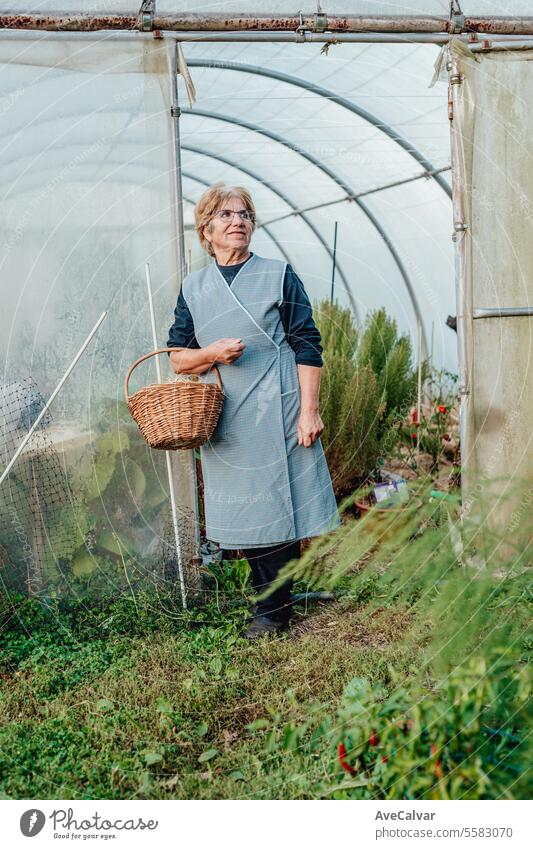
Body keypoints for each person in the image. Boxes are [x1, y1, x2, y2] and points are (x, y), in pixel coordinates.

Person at [167, 182, 339, 638]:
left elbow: (307, 344)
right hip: (226, 416)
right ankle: (275, 597)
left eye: (243, 214)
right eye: (225, 214)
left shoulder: (280, 275)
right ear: (207, 230)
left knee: (275, 504)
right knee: (243, 513)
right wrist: (211, 354)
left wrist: (309, 410)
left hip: (276, 406)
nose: (237, 221)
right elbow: (177, 357)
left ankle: (273, 612)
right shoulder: (193, 287)